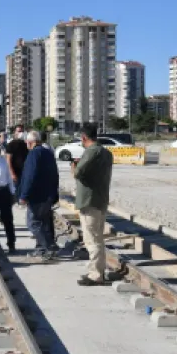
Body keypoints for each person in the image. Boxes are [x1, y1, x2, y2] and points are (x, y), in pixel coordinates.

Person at [73, 123, 115, 286]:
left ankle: (96, 275)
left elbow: (78, 173)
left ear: (84, 137)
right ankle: (98, 271)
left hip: (89, 201)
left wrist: (75, 165)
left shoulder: (91, 152)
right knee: (98, 237)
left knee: (92, 239)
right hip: (100, 199)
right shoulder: (106, 153)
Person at [17, 130, 60, 261]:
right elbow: (55, 174)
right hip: (48, 195)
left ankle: (49, 247)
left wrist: (23, 195)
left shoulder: (34, 154)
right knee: (44, 223)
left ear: (31, 142)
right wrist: (54, 193)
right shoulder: (48, 153)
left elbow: (30, 176)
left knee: (33, 223)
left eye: (27, 142)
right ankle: (42, 249)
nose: (26, 144)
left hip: (37, 196)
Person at [4, 124, 29, 198]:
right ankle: (18, 201)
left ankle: (22, 201)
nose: (20, 133)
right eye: (19, 131)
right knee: (16, 189)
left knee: (24, 188)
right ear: (15, 132)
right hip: (15, 171)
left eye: (22, 131)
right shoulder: (11, 145)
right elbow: (8, 160)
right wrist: (12, 173)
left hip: (25, 171)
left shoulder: (26, 145)